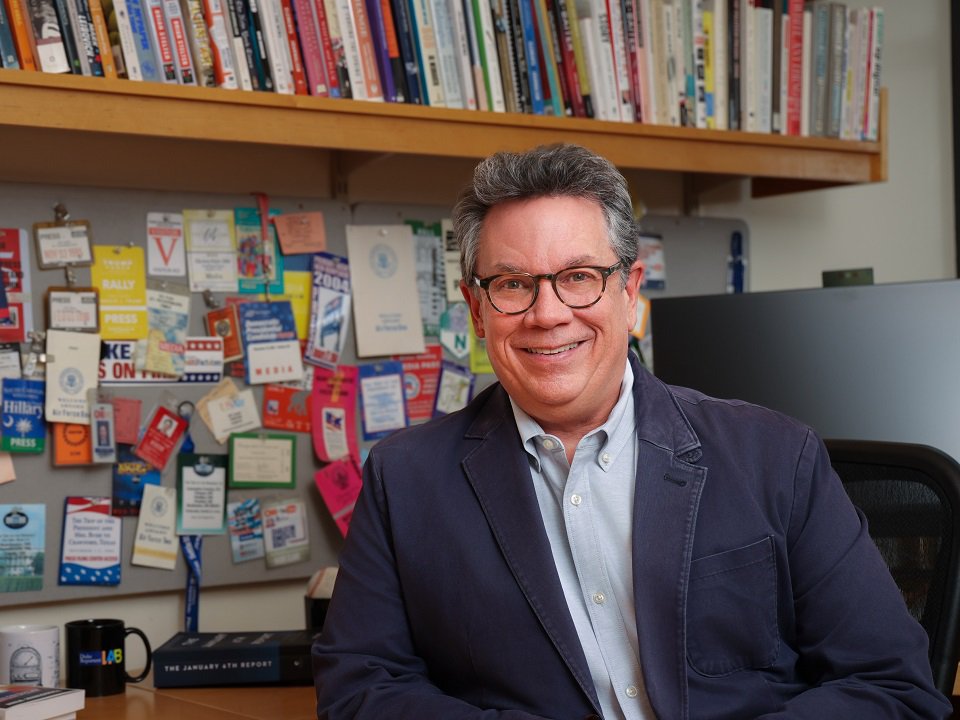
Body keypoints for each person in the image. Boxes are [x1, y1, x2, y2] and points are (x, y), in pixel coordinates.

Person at [312, 144, 951, 719]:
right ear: (478, 308)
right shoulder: (406, 478)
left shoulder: (777, 456)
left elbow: (891, 684)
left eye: (579, 277)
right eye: (512, 285)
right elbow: (360, 686)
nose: (548, 314)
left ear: (631, 292)